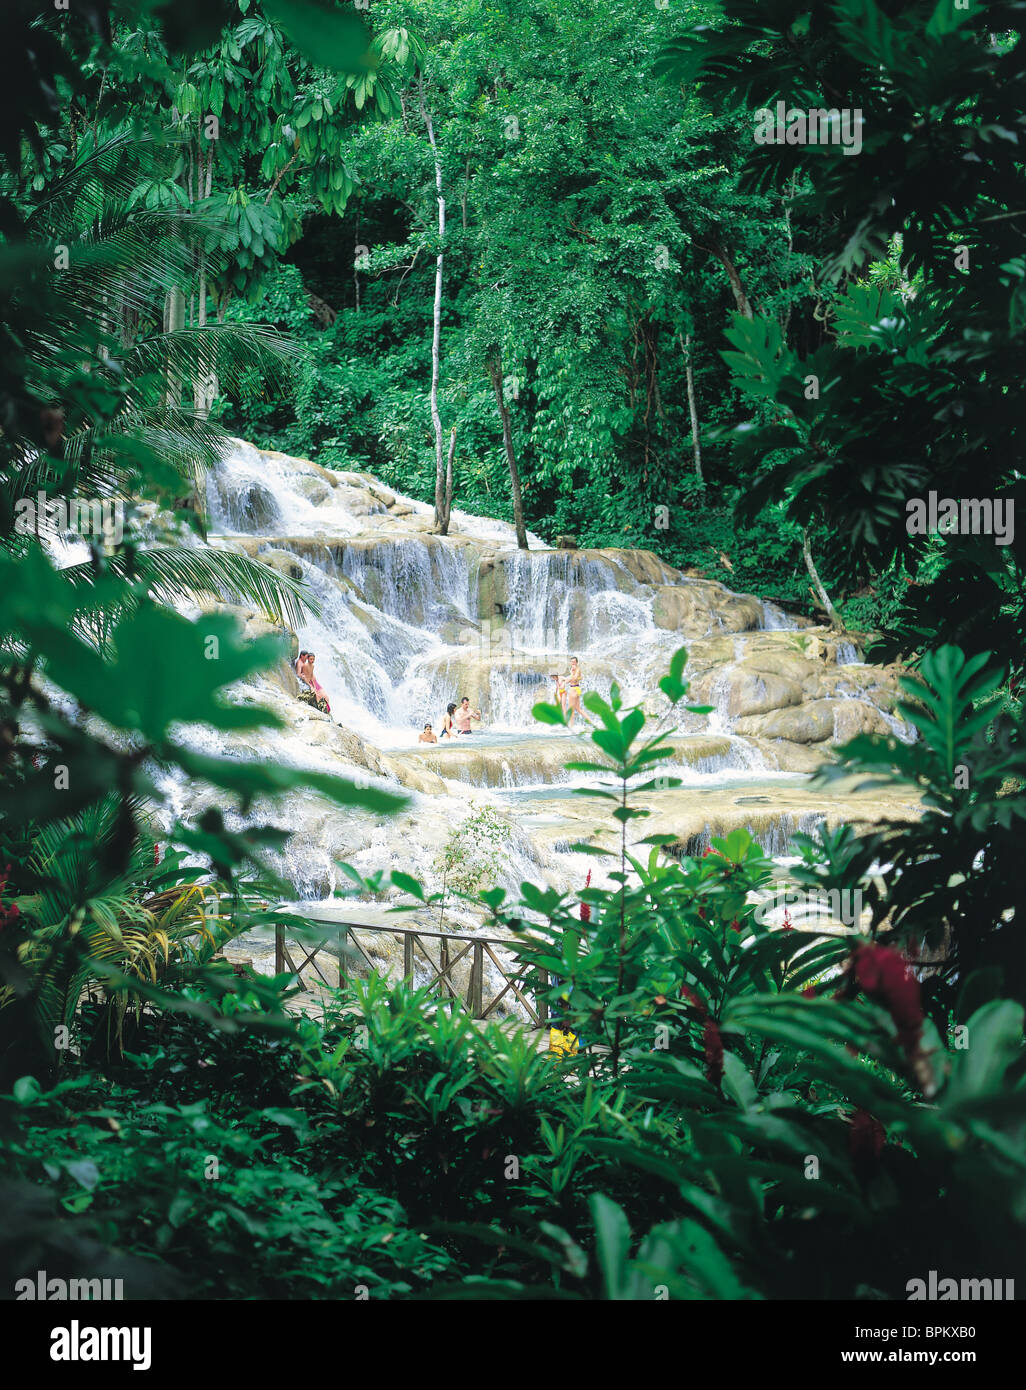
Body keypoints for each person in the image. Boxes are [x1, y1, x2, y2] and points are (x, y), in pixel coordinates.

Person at [296, 649, 331, 715]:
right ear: (302, 656)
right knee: (320, 696)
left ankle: (327, 709)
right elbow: (300, 674)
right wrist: (310, 685)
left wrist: (313, 684)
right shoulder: (301, 664)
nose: (307, 659)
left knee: (325, 696)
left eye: (312, 659)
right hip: (309, 682)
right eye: (307, 658)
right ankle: (324, 710)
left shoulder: (310, 665)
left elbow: (311, 675)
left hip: (313, 681)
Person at [564, 656, 583, 728]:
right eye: (572, 662)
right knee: (578, 709)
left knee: (571, 709)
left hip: (574, 689)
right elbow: (575, 678)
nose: (573, 663)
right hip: (575, 688)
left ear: (577, 663)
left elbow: (574, 679)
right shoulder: (574, 669)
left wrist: (570, 676)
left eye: (574, 662)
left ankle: (571, 726)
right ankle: (591, 721)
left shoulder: (576, 669)